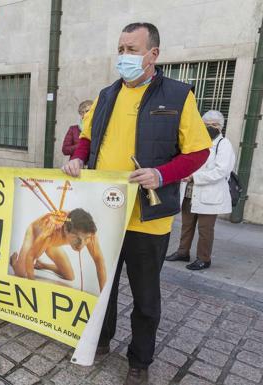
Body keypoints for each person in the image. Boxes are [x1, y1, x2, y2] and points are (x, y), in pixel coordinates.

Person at [62, 23, 211, 384]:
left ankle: (140, 360)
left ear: (152, 55)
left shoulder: (177, 95)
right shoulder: (106, 94)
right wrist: (78, 159)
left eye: (131, 49)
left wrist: (161, 174)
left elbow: (199, 151)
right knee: (102, 286)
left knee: (146, 297)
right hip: (105, 215)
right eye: (121, 48)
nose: (123, 56)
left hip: (148, 218)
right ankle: (100, 340)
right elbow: (85, 137)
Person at [166, 111, 236, 270]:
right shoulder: (197, 142)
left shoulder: (223, 144)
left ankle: (204, 258)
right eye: (207, 124)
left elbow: (221, 171)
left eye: (215, 125)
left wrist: (194, 177)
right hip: (190, 193)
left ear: (221, 127)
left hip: (209, 194)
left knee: (205, 229)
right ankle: (182, 252)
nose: (211, 127)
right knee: (186, 225)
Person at [10, 208, 106, 291]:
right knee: (21, 274)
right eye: (78, 238)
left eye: (86, 239)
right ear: (65, 230)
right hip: (37, 234)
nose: (82, 244)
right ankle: (15, 263)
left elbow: (99, 260)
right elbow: (30, 257)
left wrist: (103, 295)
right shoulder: (50, 232)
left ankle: (42, 265)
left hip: (53, 243)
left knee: (70, 276)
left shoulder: (89, 233)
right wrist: (33, 285)